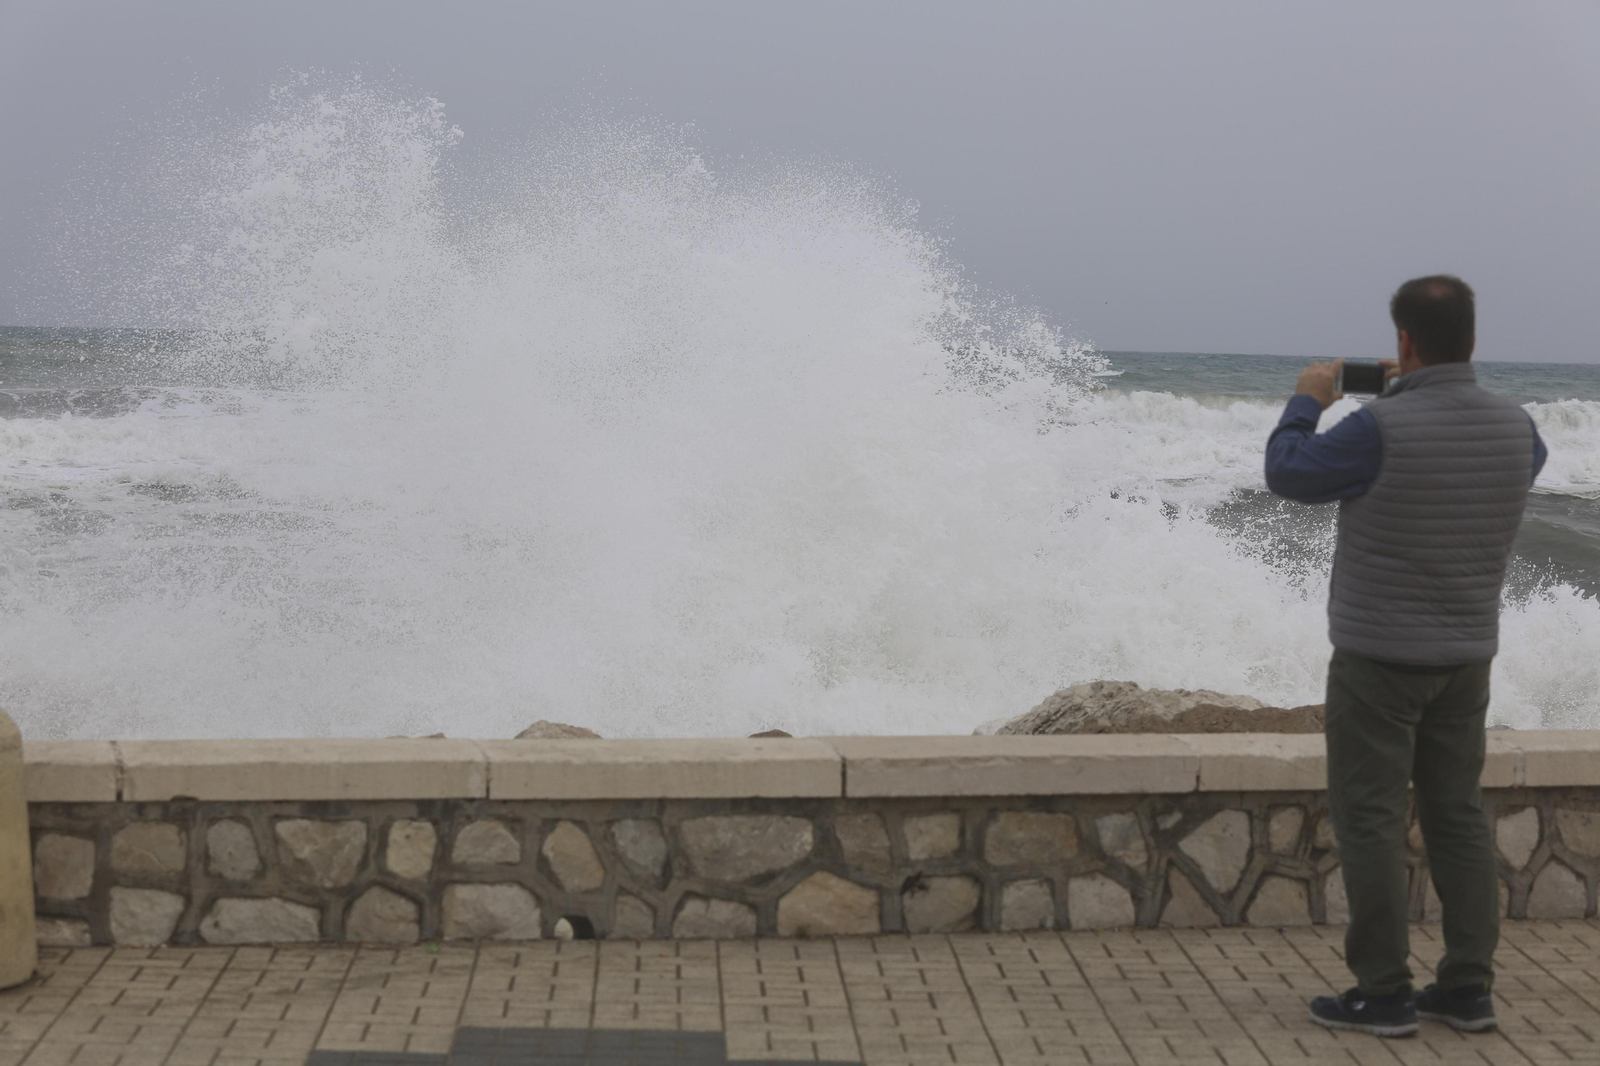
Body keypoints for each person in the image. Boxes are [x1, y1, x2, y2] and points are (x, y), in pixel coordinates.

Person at [1263, 275, 1547, 1038]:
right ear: (1473, 340)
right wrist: (1416, 397)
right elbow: (1503, 467)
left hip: (1379, 660)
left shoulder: (1375, 429)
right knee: (1458, 818)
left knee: (1372, 821)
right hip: (1465, 660)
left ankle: (1384, 991)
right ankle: (1466, 988)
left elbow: (1287, 472)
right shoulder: (1519, 427)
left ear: (1403, 344)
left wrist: (1309, 402)